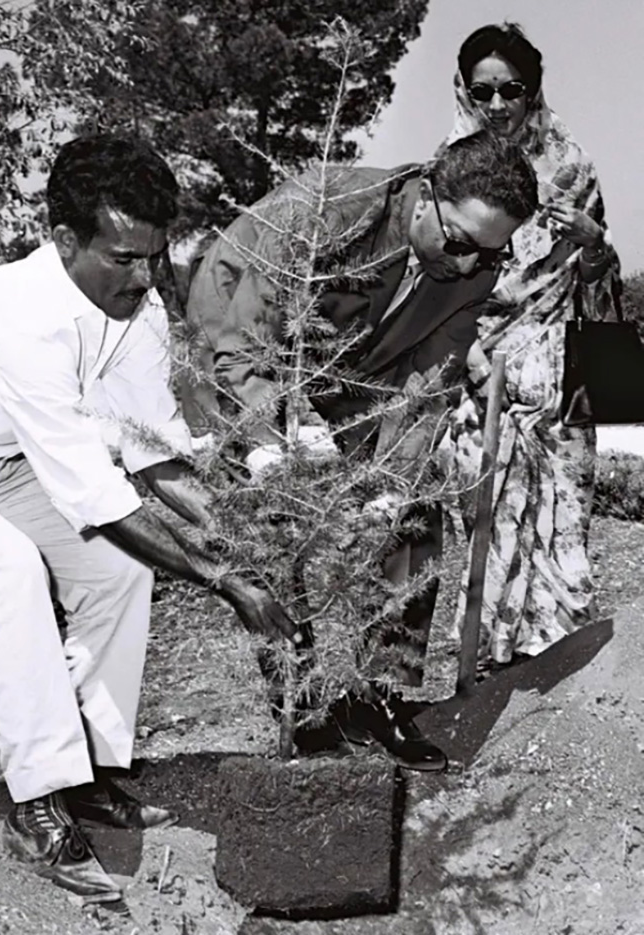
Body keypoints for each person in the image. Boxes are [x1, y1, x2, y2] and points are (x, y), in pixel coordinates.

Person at [0, 135, 298, 902]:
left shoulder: (140, 308)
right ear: (64, 241)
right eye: (121, 257)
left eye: (153, 256)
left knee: (117, 569)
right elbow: (94, 493)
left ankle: (88, 773)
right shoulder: (19, 320)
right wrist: (226, 581)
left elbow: (152, 454)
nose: (142, 276)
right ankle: (37, 804)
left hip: (2, 461)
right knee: (6, 571)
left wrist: (240, 547)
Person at [185, 130, 539, 771]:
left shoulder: (473, 261)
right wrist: (273, 441)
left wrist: (391, 484)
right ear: (425, 194)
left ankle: (383, 693)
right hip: (243, 342)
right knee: (271, 524)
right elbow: (241, 345)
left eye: (488, 253)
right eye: (457, 243)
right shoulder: (329, 209)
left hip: (362, 363)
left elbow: (427, 377)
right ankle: (303, 703)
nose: (465, 267)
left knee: (414, 508)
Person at [437, 23, 621, 666]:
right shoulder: (449, 167)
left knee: (567, 515)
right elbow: (437, 277)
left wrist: (594, 241)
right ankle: (498, 659)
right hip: (478, 364)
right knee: (490, 514)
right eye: (483, 91)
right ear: (464, 91)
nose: (497, 106)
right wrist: (467, 352)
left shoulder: (573, 168)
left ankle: (564, 659)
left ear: (533, 91)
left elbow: (601, 286)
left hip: (562, 368)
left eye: (512, 90)